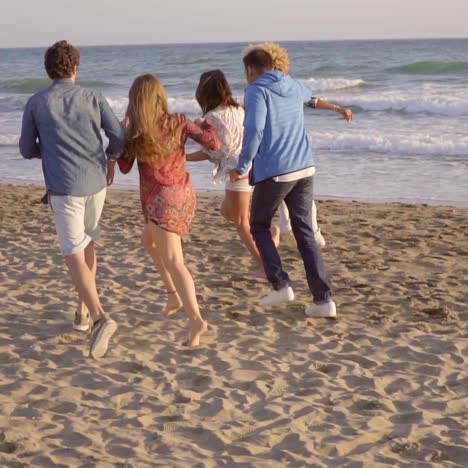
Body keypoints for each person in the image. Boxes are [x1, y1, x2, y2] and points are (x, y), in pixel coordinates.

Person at [19, 40, 124, 358]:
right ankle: (81, 312)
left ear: (48, 70)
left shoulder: (37, 102)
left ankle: (99, 317)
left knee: (72, 253)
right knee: (87, 242)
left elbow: (26, 149)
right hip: (96, 182)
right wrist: (111, 159)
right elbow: (117, 135)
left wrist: (48, 152)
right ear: (76, 68)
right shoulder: (93, 96)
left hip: (65, 187)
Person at [230, 47, 352, 318]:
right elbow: (313, 100)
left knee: (258, 225)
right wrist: (337, 108)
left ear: (250, 69)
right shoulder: (292, 84)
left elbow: (255, 129)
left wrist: (242, 165)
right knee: (305, 232)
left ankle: (280, 284)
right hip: (305, 167)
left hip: (276, 171)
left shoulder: (256, 91)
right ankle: (323, 301)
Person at [118, 74, 220, 347]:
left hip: (160, 201)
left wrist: (122, 135)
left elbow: (124, 167)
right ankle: (172, 294)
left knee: (175, 261)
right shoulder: (180, 122)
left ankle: (196, 320)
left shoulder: (136, 134)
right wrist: (204, 124)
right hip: (182, 195)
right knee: (148, 242)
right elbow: (214, 143)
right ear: (161, 97)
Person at [249, 42, 353, 248]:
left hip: (281, 153)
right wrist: (337, 108)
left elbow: (311, 101)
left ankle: (302, 232)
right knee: (292, 193)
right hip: (290, 154)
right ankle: (298, 230)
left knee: (287, 193)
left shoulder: (270, 89)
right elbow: (311, 101)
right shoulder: (281, 88)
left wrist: (337, 108)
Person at [186, 70, 279, 274]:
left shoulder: (211, 117)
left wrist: (185, 157)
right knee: (228, 212)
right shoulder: (239, 110)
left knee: (240, 221)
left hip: (237, 171)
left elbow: (218, 151)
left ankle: (264, 265)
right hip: (252, 166)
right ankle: (271, 234)